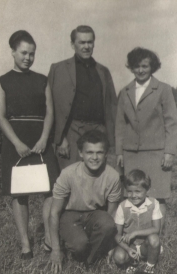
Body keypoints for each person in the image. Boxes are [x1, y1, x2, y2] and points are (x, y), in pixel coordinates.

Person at [0, 30, 60, 260]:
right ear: (12, 52)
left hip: (40, 138)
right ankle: (25, 245)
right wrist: (17, 143)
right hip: (16, 142)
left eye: (32, 54)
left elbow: (50, 112)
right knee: (19, 194)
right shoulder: (2, 82)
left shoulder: (42, 80)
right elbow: (1, 117)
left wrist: (44, 138)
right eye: (23, 53)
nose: (28, 58)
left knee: (50, 190)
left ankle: (49, 238)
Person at [115, 47, 177, 232]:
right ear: (131, 67)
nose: (141, 70)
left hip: (156, 153)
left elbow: (172, 123)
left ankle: (156, 237)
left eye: (145, 66)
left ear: (152, 67)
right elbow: (119, 125)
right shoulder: (125, 91)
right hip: (131, 154)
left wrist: (169, 152)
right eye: (136, 66)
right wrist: (119, 151)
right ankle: (134, 235)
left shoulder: (163, 90)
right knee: (133, 195)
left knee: (157, 196)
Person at [49, 130, 121, 273]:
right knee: (80, 245)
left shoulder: (112, 176)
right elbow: (54, 212)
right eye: (89, 152)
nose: (94, 157)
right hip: (70, 215)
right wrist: (55, 249)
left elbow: (111, 213)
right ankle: (73, 243)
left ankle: (90, 261)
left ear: (106, 154)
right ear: (81, 153)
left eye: (99, 152)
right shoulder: (68, 173)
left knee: (107, 224)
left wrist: (111, 243)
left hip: (95, 214)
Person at [48, 25, 117, 169]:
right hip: (72, 133)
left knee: (97, 181)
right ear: (73, 44)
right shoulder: (58, 69)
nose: (86, 46)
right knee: (71, 179)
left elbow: (112, 108)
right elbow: (50, 107)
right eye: (82, 42)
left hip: (99, 133)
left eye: (90, 42)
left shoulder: (103, 71)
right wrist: (60, 139)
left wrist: (111, 143)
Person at [111, 170, 162, 274]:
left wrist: (135, 233)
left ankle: (149, 266)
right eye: (129, 191)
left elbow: (156, 229)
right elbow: (117, 235)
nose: (133, 195)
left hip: (145, 245)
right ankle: (132, 263)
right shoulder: (123, 206)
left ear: (147, 190)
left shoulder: (153, 203)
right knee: (119, 257)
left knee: (154, 238)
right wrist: (127, 249)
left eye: (138, 191)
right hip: (130, 245)